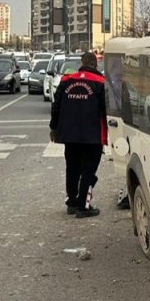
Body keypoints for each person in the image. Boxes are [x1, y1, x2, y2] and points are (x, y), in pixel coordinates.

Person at [49, 51, 107, 217]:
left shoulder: (66, 80)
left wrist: (54, 128)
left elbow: (56, 106)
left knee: (72, 168)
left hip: (70, 134)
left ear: (81, 63)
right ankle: (83, 206)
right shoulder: (101, 82)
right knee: (89, 171)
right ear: (95, 64)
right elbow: (105, 110)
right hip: (92, 135)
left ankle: (72, 202)